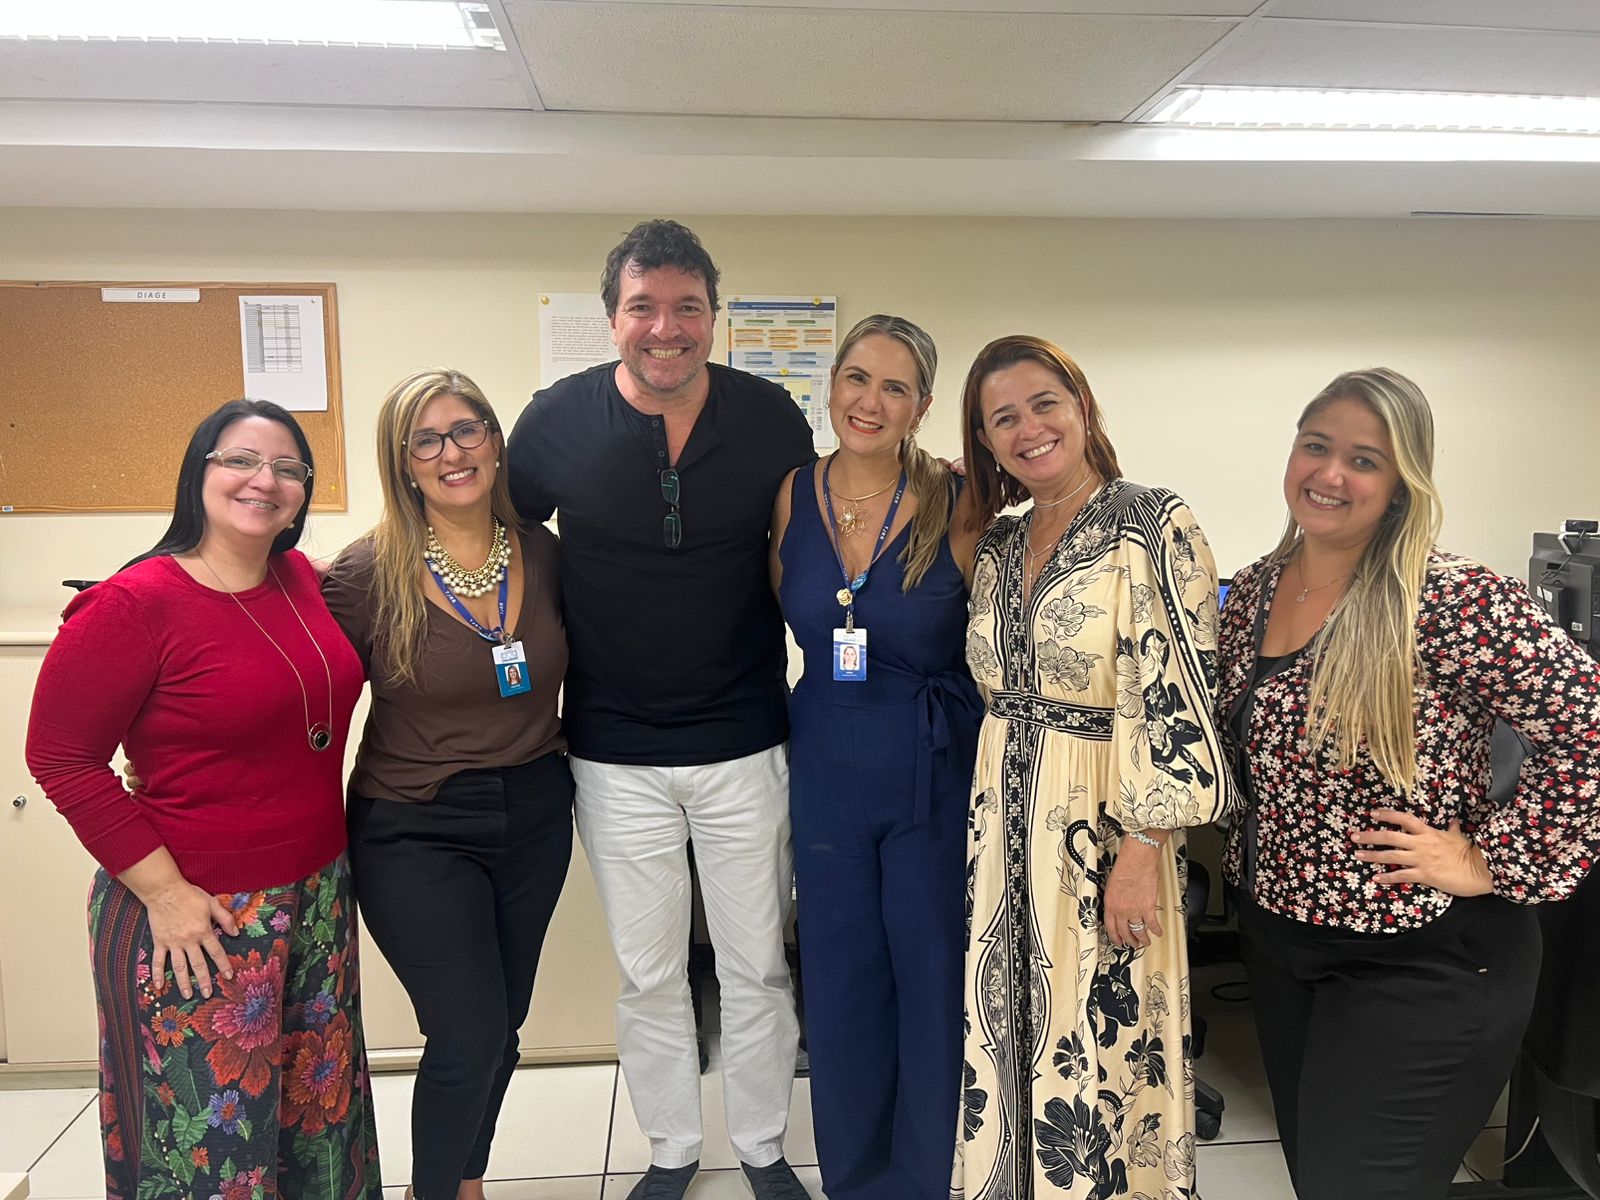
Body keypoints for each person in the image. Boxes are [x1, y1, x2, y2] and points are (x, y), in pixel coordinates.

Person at [1217, 367, 1600, 1200]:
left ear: (1401, 483)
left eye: (1364, 460)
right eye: (1316, 446)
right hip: (1283, 945)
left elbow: (1587, 723)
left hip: (1423, 957)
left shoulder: (1451, 598)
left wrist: (1494, 859)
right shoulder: (1251, 592)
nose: (1329, 474)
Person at [507, 219, 815, 1200]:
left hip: (745, 742)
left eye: (687, 307)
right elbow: (493, 542)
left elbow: (816, 532)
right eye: (643, 307)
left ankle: (762, 1147)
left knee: (757, 966)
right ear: (612, 319)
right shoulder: (554, 421)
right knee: (649, 974)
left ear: (714, 318)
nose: (666, 327)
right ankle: (673, 1149)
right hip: (612, 752)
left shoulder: (771, 418)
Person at [25, 399, 380, 1197]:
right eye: (241, 460)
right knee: (211, 1154)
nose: (265, 481)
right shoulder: (131, 604)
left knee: (317, 1136)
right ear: (199, 472)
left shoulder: (299, 579)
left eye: (288, 468)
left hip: (317, 900)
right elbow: (60, 758)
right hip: (197, 917)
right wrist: (164, 893)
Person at [954, 336, 1232, 1200]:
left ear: (1081, 406)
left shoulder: (1149, 521)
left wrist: (1144, 850)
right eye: (1003, 418)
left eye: (1044, 404)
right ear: (985, 441)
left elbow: (1181, 695)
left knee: (1101, 1039)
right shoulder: (998, 545)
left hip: (1104, 829)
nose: (1029, 428)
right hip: (1003, 829)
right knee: (1012, 1024)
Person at [321, 370, 572, 1200]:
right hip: (414, 824)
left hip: (535, 811)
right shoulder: (366, 574)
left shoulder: (543, 551)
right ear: (403, 462)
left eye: (466, 430)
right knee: (467, 1033)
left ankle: (467, 1181)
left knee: (503, 1029)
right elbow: (299, 697)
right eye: (424, 440)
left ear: (495, 442)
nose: (450, 453)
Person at [770, 314, 983, 1200]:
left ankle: (924, 1177)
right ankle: (855, 1180)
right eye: (857, 378)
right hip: (827, 758)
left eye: (896, 387)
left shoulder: (960, 500)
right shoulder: (792, 494)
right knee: (841, 975)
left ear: (922, 407)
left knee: (929, 974)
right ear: (831, 385)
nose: (870, 401)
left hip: (931, 763)